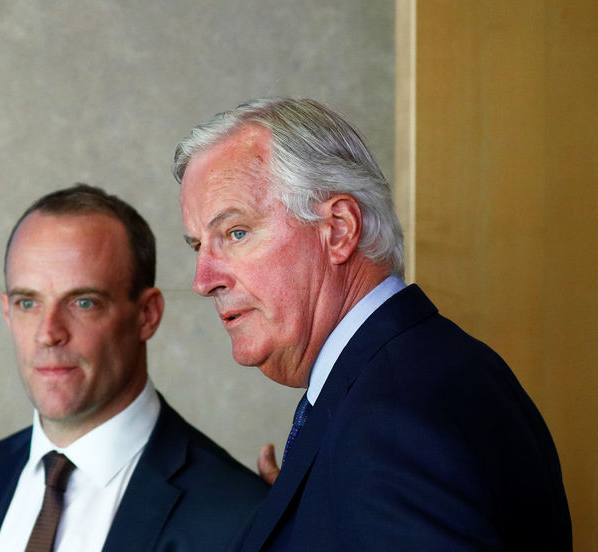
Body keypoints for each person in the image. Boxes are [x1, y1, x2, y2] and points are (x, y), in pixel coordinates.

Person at [174, 98, 571, 551]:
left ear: (339, 229)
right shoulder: (420, 377)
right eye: (198, 246)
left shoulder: (394, 424)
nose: (204, 280)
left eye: (236, 232)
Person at [0, 184, 268, 552]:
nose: (48, 334)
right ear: (7, 313)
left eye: (83, 303)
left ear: (147, 315)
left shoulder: (237, 514)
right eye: (28, 303)